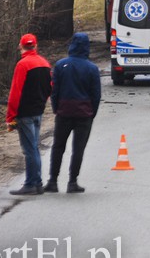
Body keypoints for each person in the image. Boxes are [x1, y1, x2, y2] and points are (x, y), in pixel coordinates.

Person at [45, 33, 102, 194]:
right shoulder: (91, 68)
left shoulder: (61, 65)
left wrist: (56, 108)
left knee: (58, 147)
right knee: (78, 149)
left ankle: (53, 181)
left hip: (64, 112)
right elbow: (96, 95)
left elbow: (54, 90)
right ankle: (72, 182)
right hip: (84, 114)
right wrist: (92, 113)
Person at [6, 34, 52, 196]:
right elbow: (50, 87)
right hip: (38, 111)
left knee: (29, 149)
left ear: (21, 46)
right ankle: (37, 183)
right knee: (34, 147)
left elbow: (15, 92)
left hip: (25, 113)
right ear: (36, 46)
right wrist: (41, 102)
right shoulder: (44, 63)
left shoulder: (22, 65)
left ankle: (31, 183)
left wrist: (10, 116)